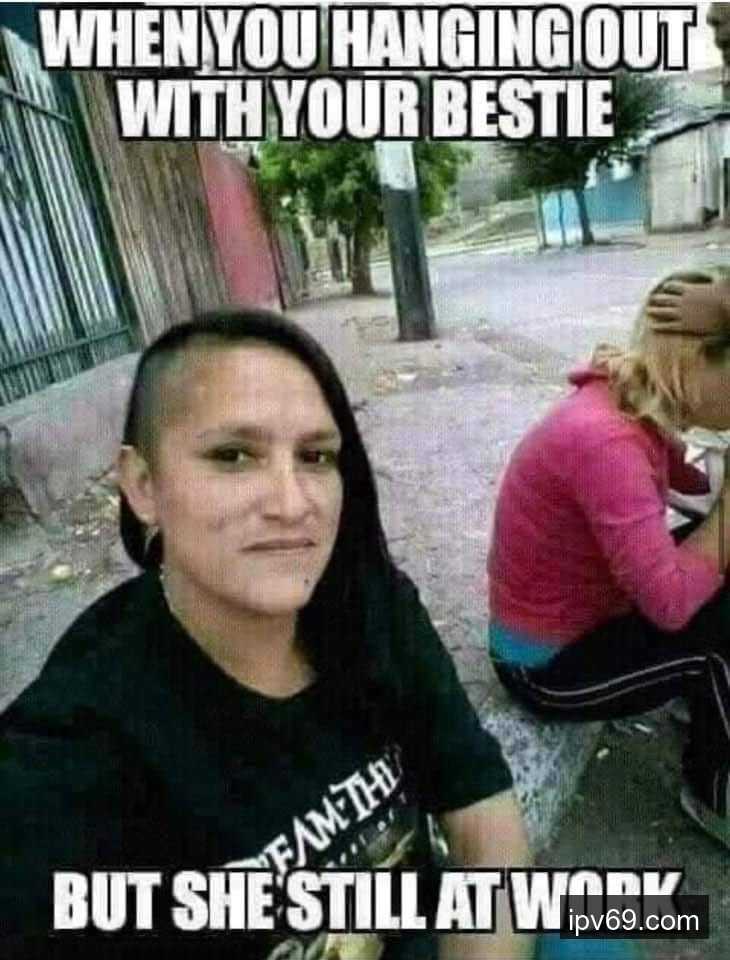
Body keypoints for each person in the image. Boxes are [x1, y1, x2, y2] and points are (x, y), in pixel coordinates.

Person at [0, 309, 532, 960]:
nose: (291, 503)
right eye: (233, 456)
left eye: (316, 456)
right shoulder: (74, 750)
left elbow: (479, 807)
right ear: (143, 486)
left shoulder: (371, 604)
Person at [487, 267, 730, 850]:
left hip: (590, 617)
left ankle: (705, 707)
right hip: (546, 667)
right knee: (720, 641)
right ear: (698, 362)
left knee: (714, 557)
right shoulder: (607, 441)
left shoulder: (631, 403)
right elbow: (670, 606)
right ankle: (714, 793)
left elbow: (695, 488)